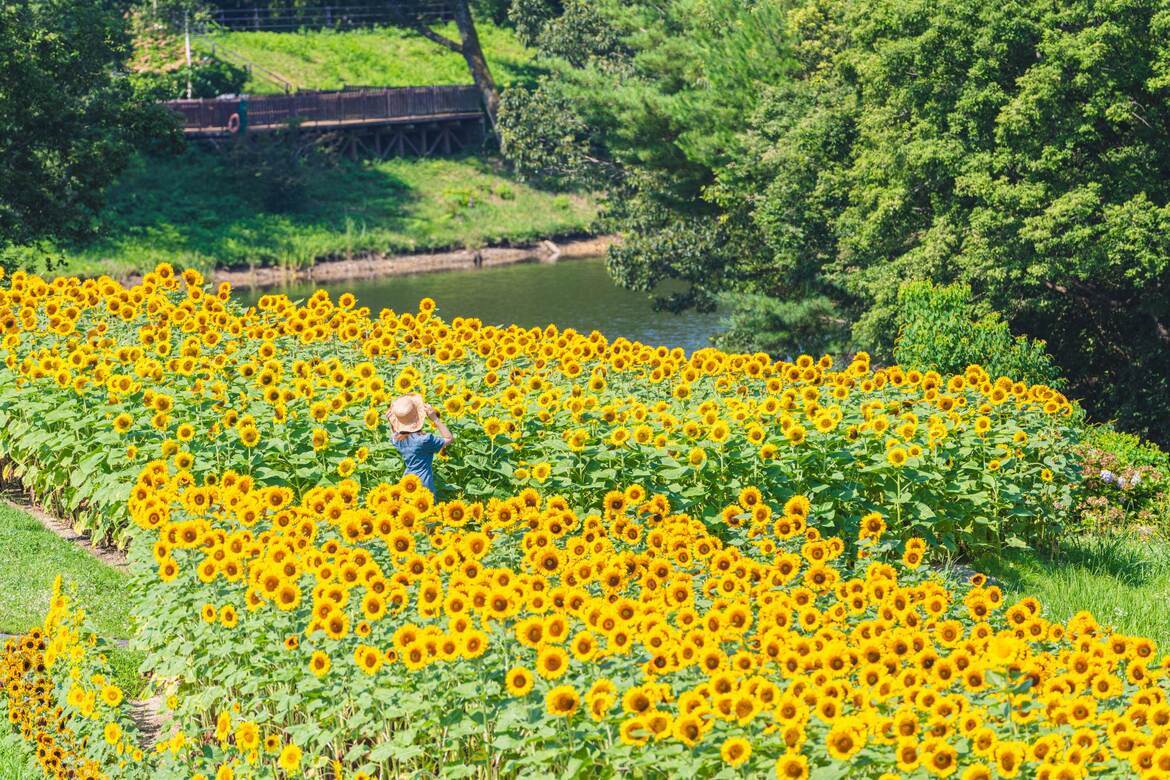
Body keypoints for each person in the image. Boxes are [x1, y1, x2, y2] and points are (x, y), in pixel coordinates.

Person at [385, 393, 453, 496]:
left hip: (407, 483)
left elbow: (394, 433)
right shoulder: (425, 440)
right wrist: (435, 418)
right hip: (424, 484)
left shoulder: (397, 440)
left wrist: (392, 423)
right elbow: (449, 438)